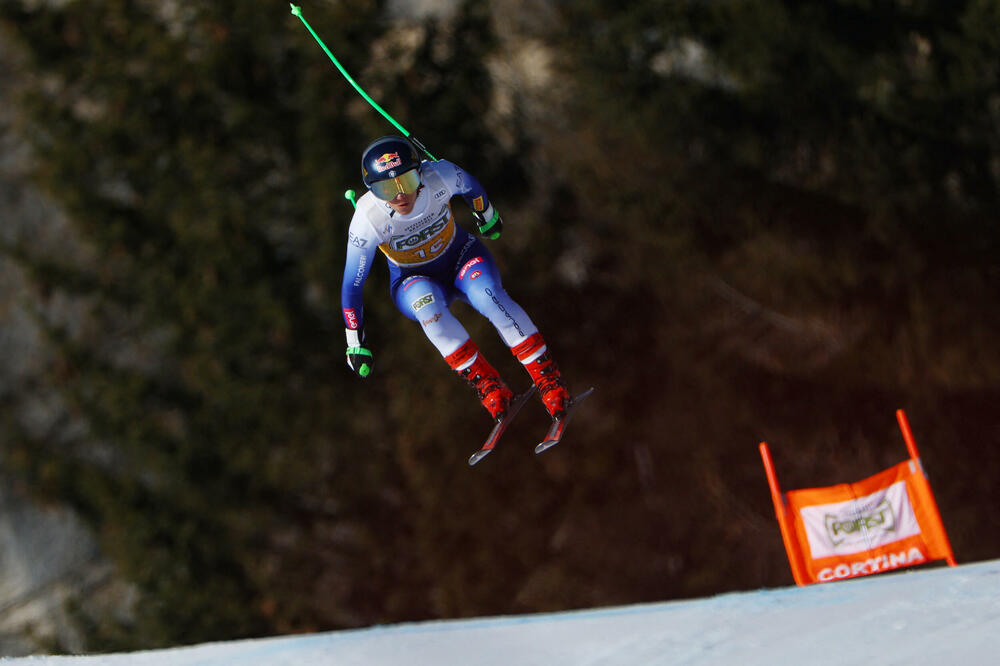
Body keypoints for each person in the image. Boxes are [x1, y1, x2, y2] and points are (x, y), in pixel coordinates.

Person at [340, 135, 571, 422]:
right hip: (414, 278)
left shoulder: (439, 174)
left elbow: (471, 185)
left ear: (420, 174)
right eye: (387, 189)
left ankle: (547, 379)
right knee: (429, 312)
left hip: (460, 256)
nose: (400, 196)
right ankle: (489, 385)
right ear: (372, 190)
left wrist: (486, 214)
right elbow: (352, 285)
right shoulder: (367, 218)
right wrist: (354, 342)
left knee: (488, 296)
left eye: (407, 182)